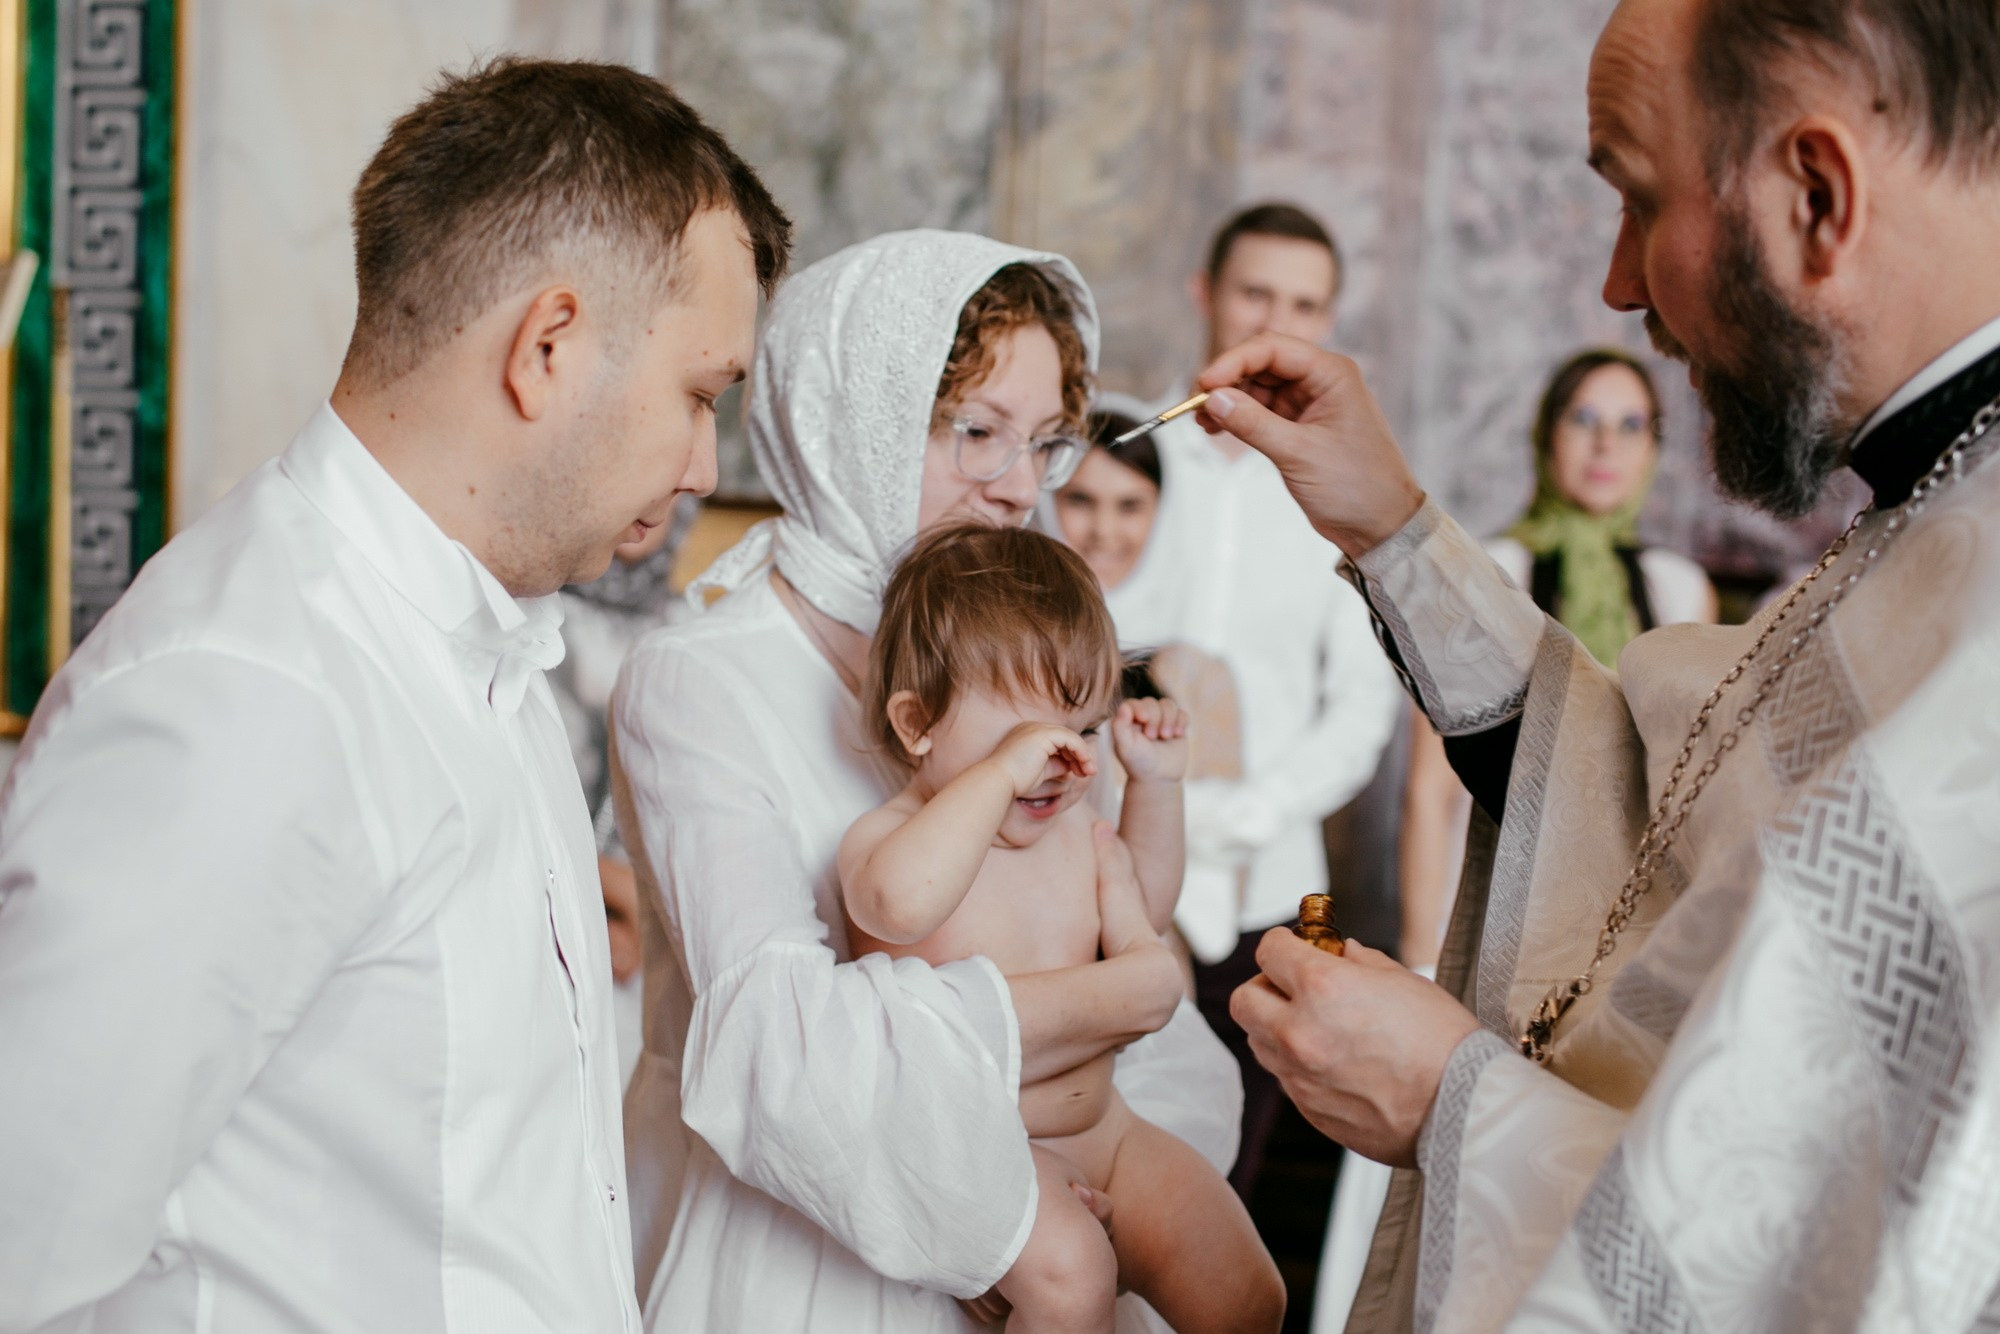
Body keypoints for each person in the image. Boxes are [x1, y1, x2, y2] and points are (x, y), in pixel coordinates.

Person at [1206, 0, 2000, 1326]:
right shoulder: (1931, 506)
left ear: (1816, 193)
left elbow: (1897, 1274)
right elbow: (1659, 816)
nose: (1618, 284)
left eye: (1639, 200)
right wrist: (1394, 529)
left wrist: (1457, 1106)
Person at [0, 59, 789, 1332]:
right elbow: (22, 1248)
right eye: (700, 395)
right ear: (545, 347)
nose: (703, 461)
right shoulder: (246, 697)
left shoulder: (483, 638)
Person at [611, 230, 1243, 1333]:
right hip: (801, 1257)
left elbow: (1098, 914)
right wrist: (1109, 1005)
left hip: (1064, 1204)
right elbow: (778, 1052)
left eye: (1043, 441)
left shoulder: (1018, 658)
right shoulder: (699, 677)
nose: (1015, 490)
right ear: (850, 414)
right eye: (974, 431)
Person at [839, 522, 1281, 1334]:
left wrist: (1153, 789)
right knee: (1073, 1278)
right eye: (1025, 740)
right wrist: (997, 776)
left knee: (1246, 1289)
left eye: (1081, 730)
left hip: (1106, 1128)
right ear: (916, 724)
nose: (1063, 762)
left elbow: (1142, 916)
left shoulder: (1079, 834)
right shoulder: (893, 843)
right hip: (982, 1151)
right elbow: (897, 907)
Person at [1139, 202, 1401, 1197]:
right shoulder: (1121, 458)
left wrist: (1239, 814)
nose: (1275, 321)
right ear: (1206, 295)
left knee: (1218, 1194)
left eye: (1303, 303)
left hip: (1266, 898)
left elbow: (1359, 713)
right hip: (1113, 877)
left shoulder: (1336, 495)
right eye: (1255, 292)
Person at [550, 494, 702, 1077]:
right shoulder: (523, 615)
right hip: (551, 925)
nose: (652, 498)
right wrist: (609, 894)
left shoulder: (697, 630)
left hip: (659, 952)